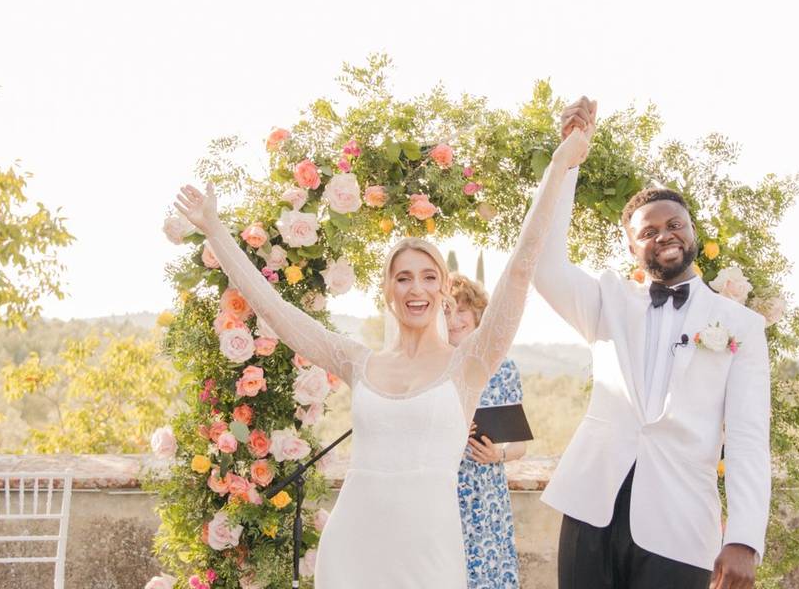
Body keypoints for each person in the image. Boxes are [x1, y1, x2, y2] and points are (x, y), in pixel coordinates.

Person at [173, 118, 595, 588]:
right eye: (403, 277)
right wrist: (214, 228)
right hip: (353, 548)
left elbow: (520, 269)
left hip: (430, 556)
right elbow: (273, 308)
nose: (417, 288)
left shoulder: (469, 365)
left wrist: (559, 165)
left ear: (443, 291)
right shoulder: (359, 361)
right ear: (389, 292)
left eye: (429, 276)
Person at [533, 96, 771, 589]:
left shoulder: (741, 326)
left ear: (692, 232)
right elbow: (544, 265)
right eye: (649, 231)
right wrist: (567, 164)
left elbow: (748, 439)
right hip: (591, 509)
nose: (664, 235)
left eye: (674, 225)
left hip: (681, 525)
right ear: (631, 247)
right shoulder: (608, 301)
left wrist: (745, 536)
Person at [446, 273, 526, 588]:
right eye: (446, 311)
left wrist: (498, 454)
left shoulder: (504, 369)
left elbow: (520, 446)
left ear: (478, 314)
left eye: (461, 310)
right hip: (443, 491)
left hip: (487, 497)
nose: (454, 319)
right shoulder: (431, 368)